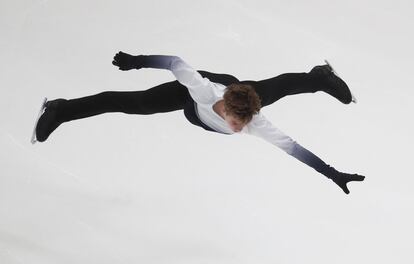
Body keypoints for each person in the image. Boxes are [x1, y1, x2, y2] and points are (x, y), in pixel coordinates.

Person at [34, 51, 365, 194]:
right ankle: (61, 109)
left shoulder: (255, 120)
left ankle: (319, 77)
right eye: (238, 123)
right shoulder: (202, 90)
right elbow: (175, 62)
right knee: (131, 103)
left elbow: (296, 150)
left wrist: (334, 175)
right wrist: (138, 62)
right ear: (225, 109)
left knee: (274, 89)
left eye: (244, 123)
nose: (241, 129)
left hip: (239, 88)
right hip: (192, 100)